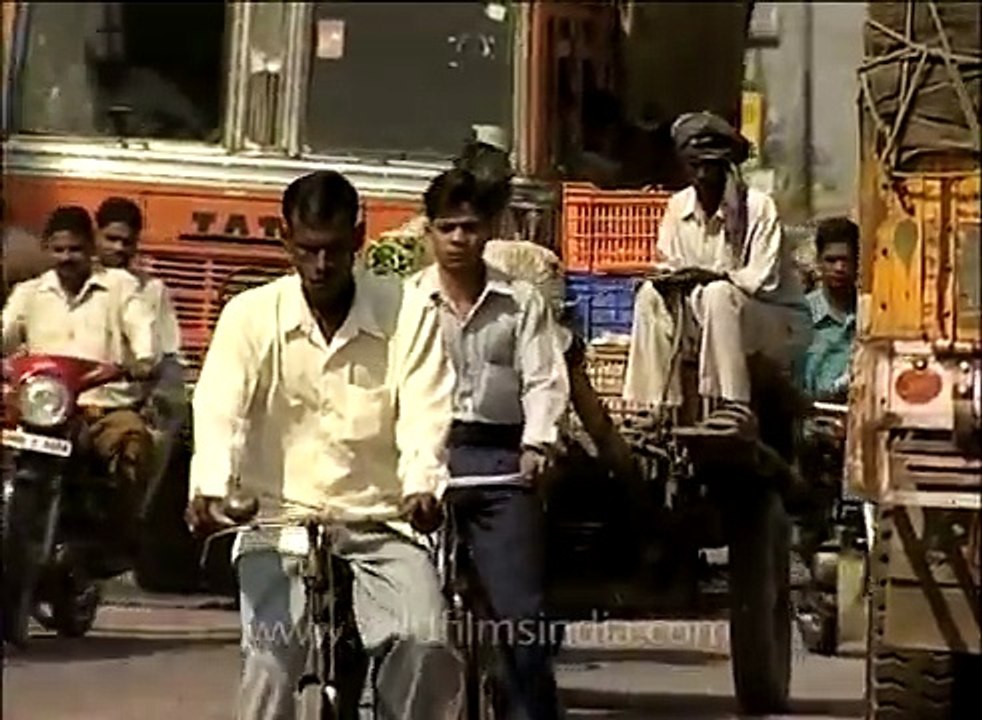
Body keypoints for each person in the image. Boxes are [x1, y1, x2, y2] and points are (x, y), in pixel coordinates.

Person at [184, 171, 462, 720]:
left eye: (334, 250)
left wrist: (422, 486)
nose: (320, 266)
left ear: (359, 239)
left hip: (380, 517)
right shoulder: (250, 315)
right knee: (268, 665)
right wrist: (210, 489)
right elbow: (220, 409)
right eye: (307, 250)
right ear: (285, 238)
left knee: (426, 644)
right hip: (275, 521)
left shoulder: (407, 311)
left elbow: (426, 412)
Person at [408, 168, 568, 720]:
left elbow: (544, 380)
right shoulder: (407, 303)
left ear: (490, 230)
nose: (458, 239)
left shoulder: (521, 302)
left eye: (470, 227)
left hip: (502, 463)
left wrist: (538, 445)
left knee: (523, 618)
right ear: (428, 231)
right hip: (425, 460)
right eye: (447, 227)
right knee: (398, 621)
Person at [623, 111, 811, 412]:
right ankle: (651, 405)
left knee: (719, 294)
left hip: (773, 321)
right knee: (650, 297)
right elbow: (671, 266)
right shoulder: (677, 207)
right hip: (704, 314)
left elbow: (760, 281)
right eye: (694, 166)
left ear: (726, 167)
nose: (701, 175)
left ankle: (729, 404)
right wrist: (665, 281)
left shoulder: (758, 207)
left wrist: (708, 276)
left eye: (710, 167)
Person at [2, 206, 160, 559]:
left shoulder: (121, 288)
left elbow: (146, 346)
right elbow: (5, 335)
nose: (66, 258)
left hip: (102, 407)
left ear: (89, 247)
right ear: (47, 249)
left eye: (74, 249)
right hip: (39, 409)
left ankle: (117, 536)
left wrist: (126, 366)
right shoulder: (29, 292)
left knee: (132, 443)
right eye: (58, 250)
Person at [94, 197, 186, 465]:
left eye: (127, 242)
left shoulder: (152, 290)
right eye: (111, 239)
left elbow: (169, 355)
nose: (118, 248)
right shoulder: (75, 281)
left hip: (123, 404)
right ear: (95, 235)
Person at [801, 217, 858, 402]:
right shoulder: (802, 315)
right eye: (831, 260)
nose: (839, 268)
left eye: (845, 260)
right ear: (818, 261)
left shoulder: (872, 316)